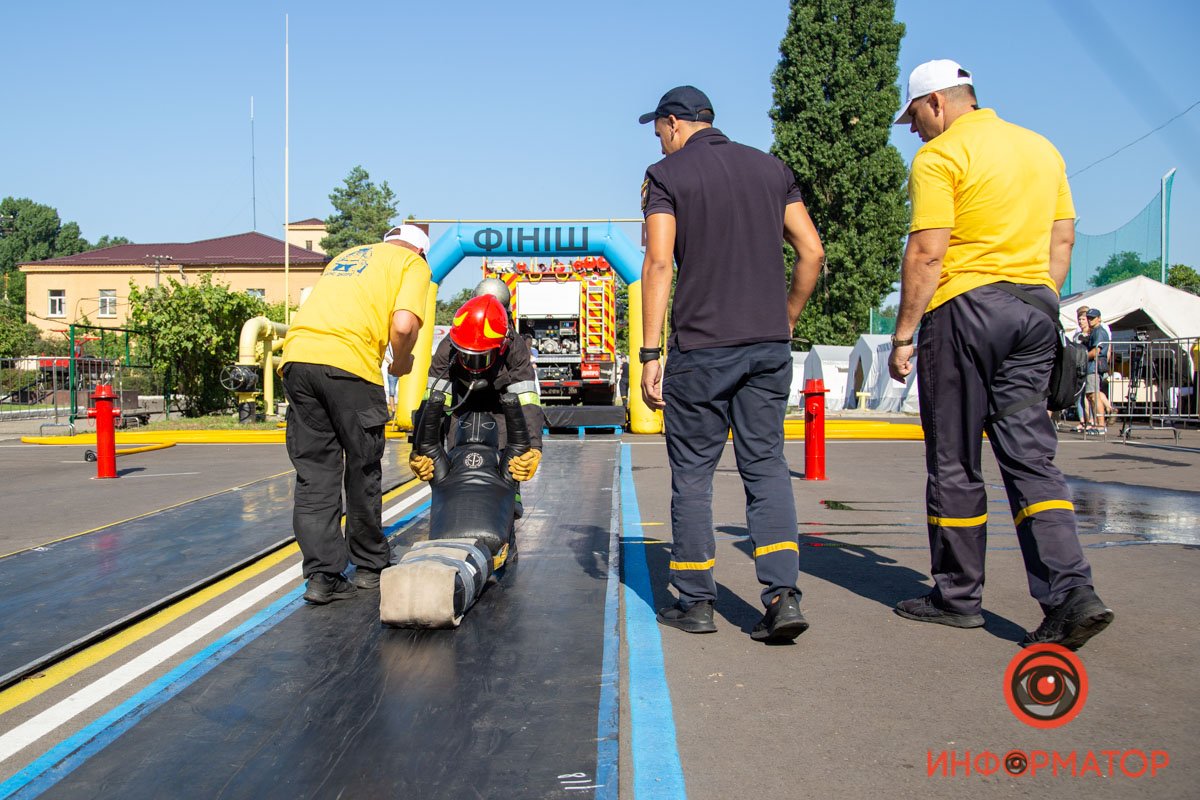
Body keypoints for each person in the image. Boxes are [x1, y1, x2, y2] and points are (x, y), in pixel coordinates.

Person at [887, 59, 1113, 649]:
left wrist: (905, 333)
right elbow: (1062, 237)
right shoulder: (1042, 149)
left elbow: (928, 252)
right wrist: (1043, 297)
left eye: (914, 116)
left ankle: (958, 596)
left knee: (956, 459)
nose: (914, 130)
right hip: (1035, 307)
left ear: (936, 103)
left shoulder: (940, 158)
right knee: (1032, 457)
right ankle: (1071, 593)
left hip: (965, 309)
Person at [638, 85, 825, 642]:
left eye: (659, 133)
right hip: (768, 346)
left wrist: (651, 352)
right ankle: (783, 595)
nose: (661, 143)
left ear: (674, 124)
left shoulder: (667, 176)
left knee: (693, 473)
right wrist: (786, 315)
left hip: (703, 348)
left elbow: (658, 261)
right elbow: (812, 252)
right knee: (766, 466)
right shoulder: (772, 170)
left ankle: (696, 601)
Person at [279, 224, 430, 604]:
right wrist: (403, 359)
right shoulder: (412, 264)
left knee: (315, 475)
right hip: (349, 368)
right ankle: (368, 566)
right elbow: (403, 323)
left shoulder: (346, 258)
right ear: (421, 252)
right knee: (362, 468)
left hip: (297, 361)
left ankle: (322, 577)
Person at [409, 282, 544, 489]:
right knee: (455, 463)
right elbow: (432, 401)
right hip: (461, 405)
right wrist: (420, 448)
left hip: (501, 405)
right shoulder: (448, 347)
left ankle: (511, 498)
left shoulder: (514, 347)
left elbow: (526, 399)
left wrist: (533, 447)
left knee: (508, 460)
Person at [1085, 307, 1112, 433]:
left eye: (1092, 318)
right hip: (1092, 367)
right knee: (1092, 396)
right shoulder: (1094, 331)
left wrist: (1082, 357)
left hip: (1094, 367)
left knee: (1094, 396)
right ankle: (1098, 424)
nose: (1090, 320)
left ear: (1099, 318)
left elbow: (1097, 351)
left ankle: (1101, 425)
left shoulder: (1099, 332)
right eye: (1088, 318)